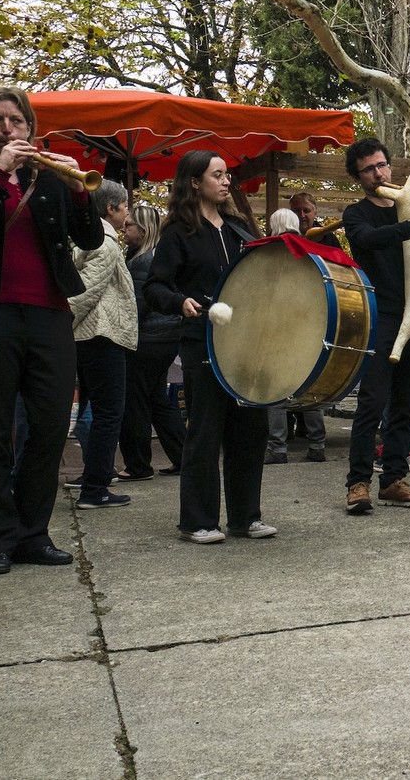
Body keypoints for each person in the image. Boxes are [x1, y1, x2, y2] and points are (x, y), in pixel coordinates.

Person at [0, 86, 104, 574]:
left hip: (50, 313)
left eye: (15, 120)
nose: (7, 129)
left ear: (30, 125)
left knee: (50, 425)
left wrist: (80, 191)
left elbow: (91, 238)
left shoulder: (48, 177)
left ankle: (32, 533)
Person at [145, 150, 275, 544]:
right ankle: (197, 521)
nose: (226, 182)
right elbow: (154, 287)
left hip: (245, 342)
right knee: (205, 430)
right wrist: (179, 302)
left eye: (226, 175)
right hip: (201, 341)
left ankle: (244, 517)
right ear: (195, 182)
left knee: (250, 429)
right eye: (217, 175)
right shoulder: (178, 233)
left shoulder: (237, 228)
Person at [339, 138, 410, 514]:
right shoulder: (356, 213)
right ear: (358, 176)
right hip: (382, 315)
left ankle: (393, 480)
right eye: (369, 169)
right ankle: (358, 483)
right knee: (372, 401)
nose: (379, 173)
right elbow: (367, 240)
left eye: (382, 165)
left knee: (407, 403)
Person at [69, 178, 138, 509]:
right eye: (124, 206)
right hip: (101, 335)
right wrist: (60, 325)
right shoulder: (106, 243)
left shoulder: (86, 241)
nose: (127, 213)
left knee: (95, 412)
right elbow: (82, 292)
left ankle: (91, 482)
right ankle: (95, 488)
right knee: (110, 413)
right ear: (110, 208)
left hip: (89, 337)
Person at [119, 204, 185, 481]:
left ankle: (138, 465)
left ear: (144, 229)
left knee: (134, 402)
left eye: (129, 226)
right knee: (158, 400)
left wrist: (122, 333)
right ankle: (184, 457)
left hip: (147, 339)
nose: (124, 230)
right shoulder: (148, 256)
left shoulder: (143, 260)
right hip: (163, 338)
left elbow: (138, 305)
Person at [263, 208, 328, 464]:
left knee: (276, 389)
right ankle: (317, 445)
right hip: (309, 327)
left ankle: (278, 448)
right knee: (309, 387)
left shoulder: (267, 251)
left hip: (276, 328)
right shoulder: (311, 251)